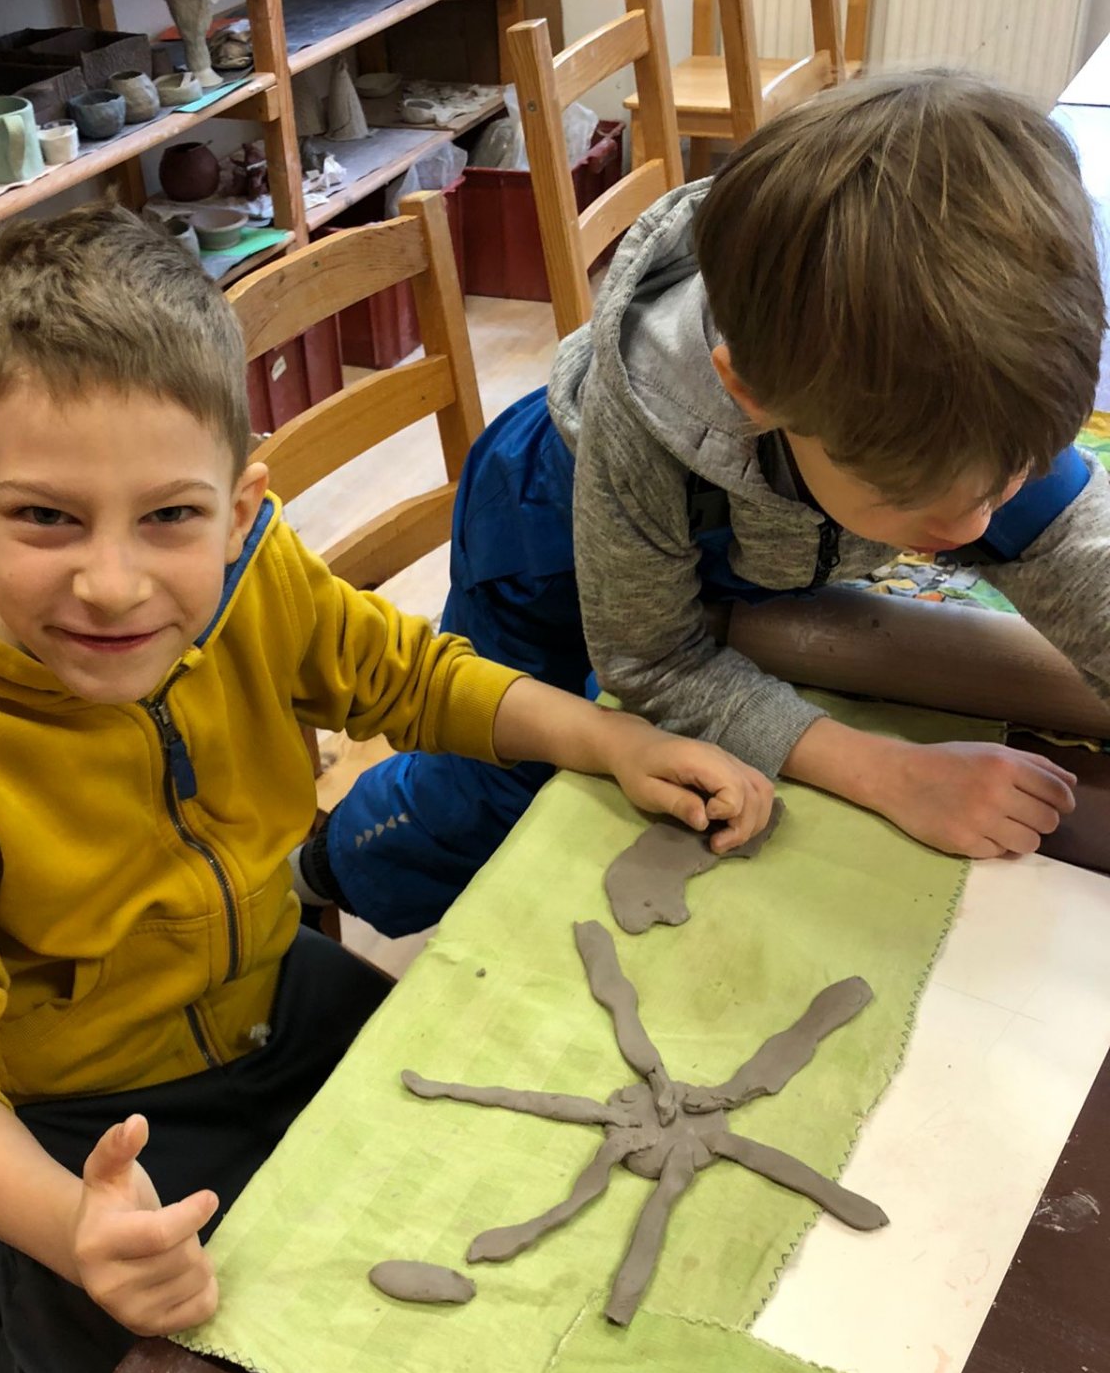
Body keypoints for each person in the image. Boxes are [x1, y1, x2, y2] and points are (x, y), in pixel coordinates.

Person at [0, 204, 771, 1373]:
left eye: (168, 517)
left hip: (272, 999)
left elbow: (409, 675)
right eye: (47, 519)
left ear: (241, 506)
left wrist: (609, 739)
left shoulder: (256, 577)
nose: (114, 584)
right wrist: (76, 1226)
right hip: (84, 1112)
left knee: (502, 1180)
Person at [308, 71, 1110, 938]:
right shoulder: (649, 428)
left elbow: (1075, 549)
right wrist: (889, 772)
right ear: (750, 393)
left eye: (1011, 477)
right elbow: (654, 663)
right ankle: (324, 866)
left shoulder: (958, 412)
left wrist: (978, 491)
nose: (973, 528)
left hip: (727, 541)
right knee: (510, 785)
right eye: (913, 501)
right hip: (547, 539)